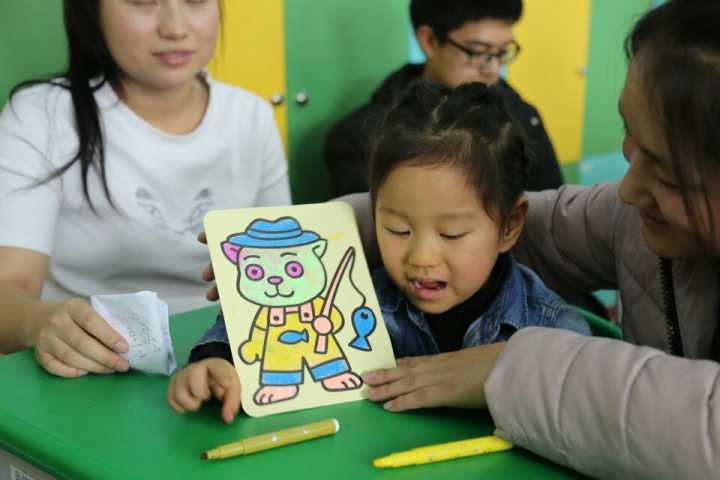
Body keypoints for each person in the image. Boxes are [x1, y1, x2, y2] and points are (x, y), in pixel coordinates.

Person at [352, 1, 720, 478]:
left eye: (668, 174)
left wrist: (514, 369)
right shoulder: (632, 215)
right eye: (630, 137)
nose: (628, 190)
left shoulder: (549, 321)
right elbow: (532, 220)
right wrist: (322, 232)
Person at [167, 81, 590, 424]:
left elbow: (580, 410)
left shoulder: (549, 332)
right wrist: (214, 362)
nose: (421, 257)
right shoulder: (358, 297)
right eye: (397, 229)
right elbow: (256, 326)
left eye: (452, 234)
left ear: (510, 226)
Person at [0, 0, 290, 378]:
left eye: (196, 1)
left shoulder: (251, 117)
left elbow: (280, 268)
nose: (175, 28)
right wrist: (41, 323)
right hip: (94, 370)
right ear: (92, 11)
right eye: (142, 1)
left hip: (223, 362)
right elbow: (9, 289)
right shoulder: (43, 115)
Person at [324, 0, 563, 198]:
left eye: (501, 52)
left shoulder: (522, 116)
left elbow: (547, 216)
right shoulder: (360, 139)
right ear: (428, 40)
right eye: (478, 52)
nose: (493, 69)